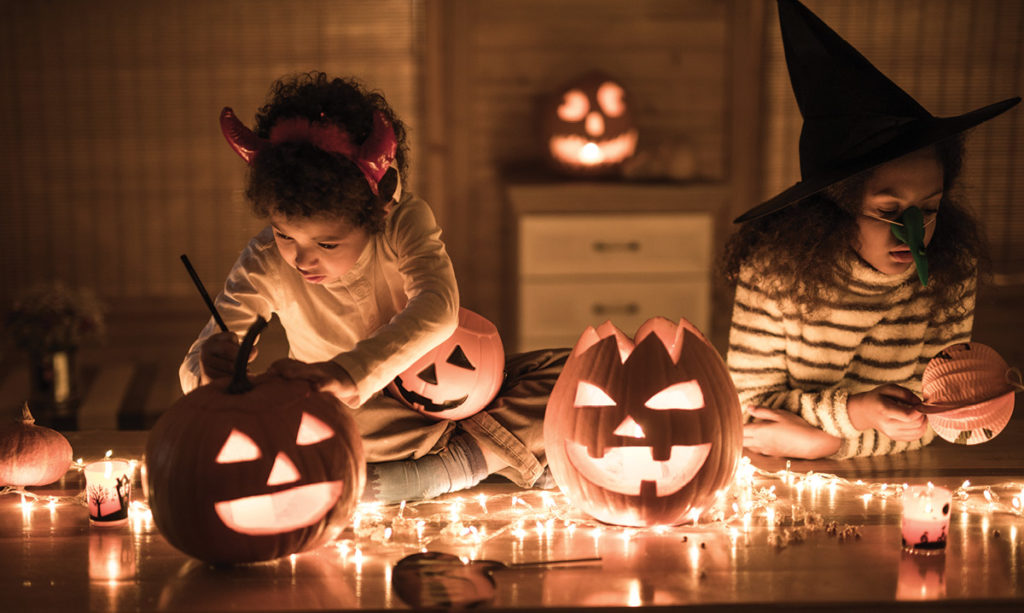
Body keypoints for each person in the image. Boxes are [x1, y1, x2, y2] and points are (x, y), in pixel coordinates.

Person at [179, 72, 555, 502]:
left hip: (450, 391)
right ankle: (476, 461)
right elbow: (200, 357)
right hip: (362, 420)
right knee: (326, 426)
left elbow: (439, 306)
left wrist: (349, 371)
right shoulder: (264, 261)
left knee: (569, 378)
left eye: (326, 243)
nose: (302, 259)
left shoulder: (401, 223)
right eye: (285, 235)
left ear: (379, 209)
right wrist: (209, 373)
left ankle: (453, 463)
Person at [721, 0, 1020, 459]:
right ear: (835, 208)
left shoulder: (949, 274)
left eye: (929, 207)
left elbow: (933, 421)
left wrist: (824, 440)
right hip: (779, 480)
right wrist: (856, 413)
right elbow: (746, 418)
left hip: (897, 482)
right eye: (889, 210)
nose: (913, 233)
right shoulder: (772, 273)